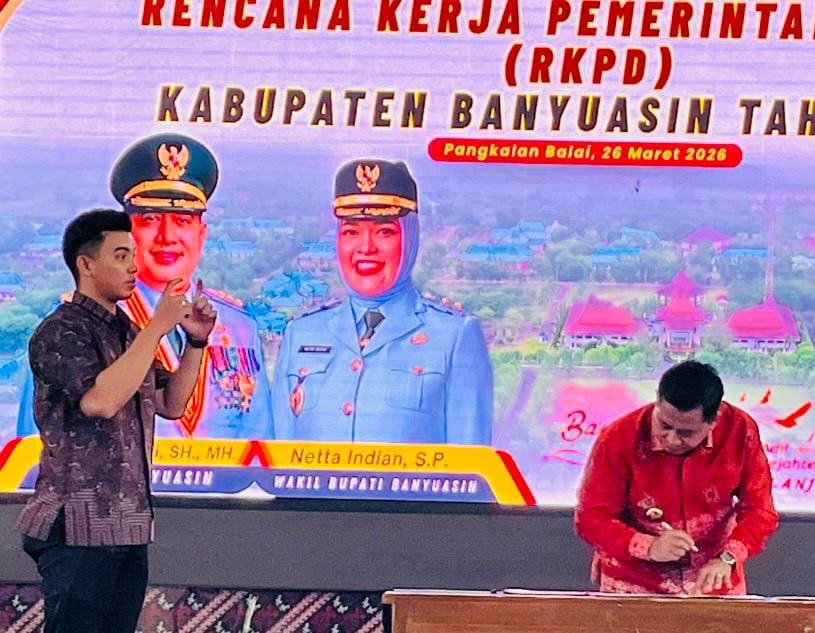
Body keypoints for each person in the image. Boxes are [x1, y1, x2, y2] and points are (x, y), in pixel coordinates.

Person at [17, 209, 216, 632]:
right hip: (77, 528)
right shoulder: (61, 331)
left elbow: (170, 402)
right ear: (86, 265)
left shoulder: (126, 332)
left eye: (133, 256)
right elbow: (101, 401)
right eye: (121, 256)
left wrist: (196, 341)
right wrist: (157, 328)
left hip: (129, 524)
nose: (134, 268)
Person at [15, 133, 272, 439]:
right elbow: (34, 445)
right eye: (150, 219)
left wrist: (196, 343)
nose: (167, 237)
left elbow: (262, 447)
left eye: (183, 221)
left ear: (201, 234)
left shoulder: (239, 326)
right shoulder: (75, 325)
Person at [271, 159, 492, 444]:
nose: (365, 247)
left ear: (410, 237)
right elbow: (279, 457)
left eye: (384, 231)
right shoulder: (302, 332)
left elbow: (469, 460)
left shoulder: (455, 336)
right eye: (351, 232)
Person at [574, 361, 779, 595]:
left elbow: (760, 511)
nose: (671, 439)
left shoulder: (740, 431)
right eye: (664, 425)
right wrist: (649, 547)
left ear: (714, 421)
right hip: (633, 580)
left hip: (714, 575)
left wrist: (729, 558)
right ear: (657, 401)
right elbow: (591, 517)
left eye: (686, 433)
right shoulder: (618, 438)